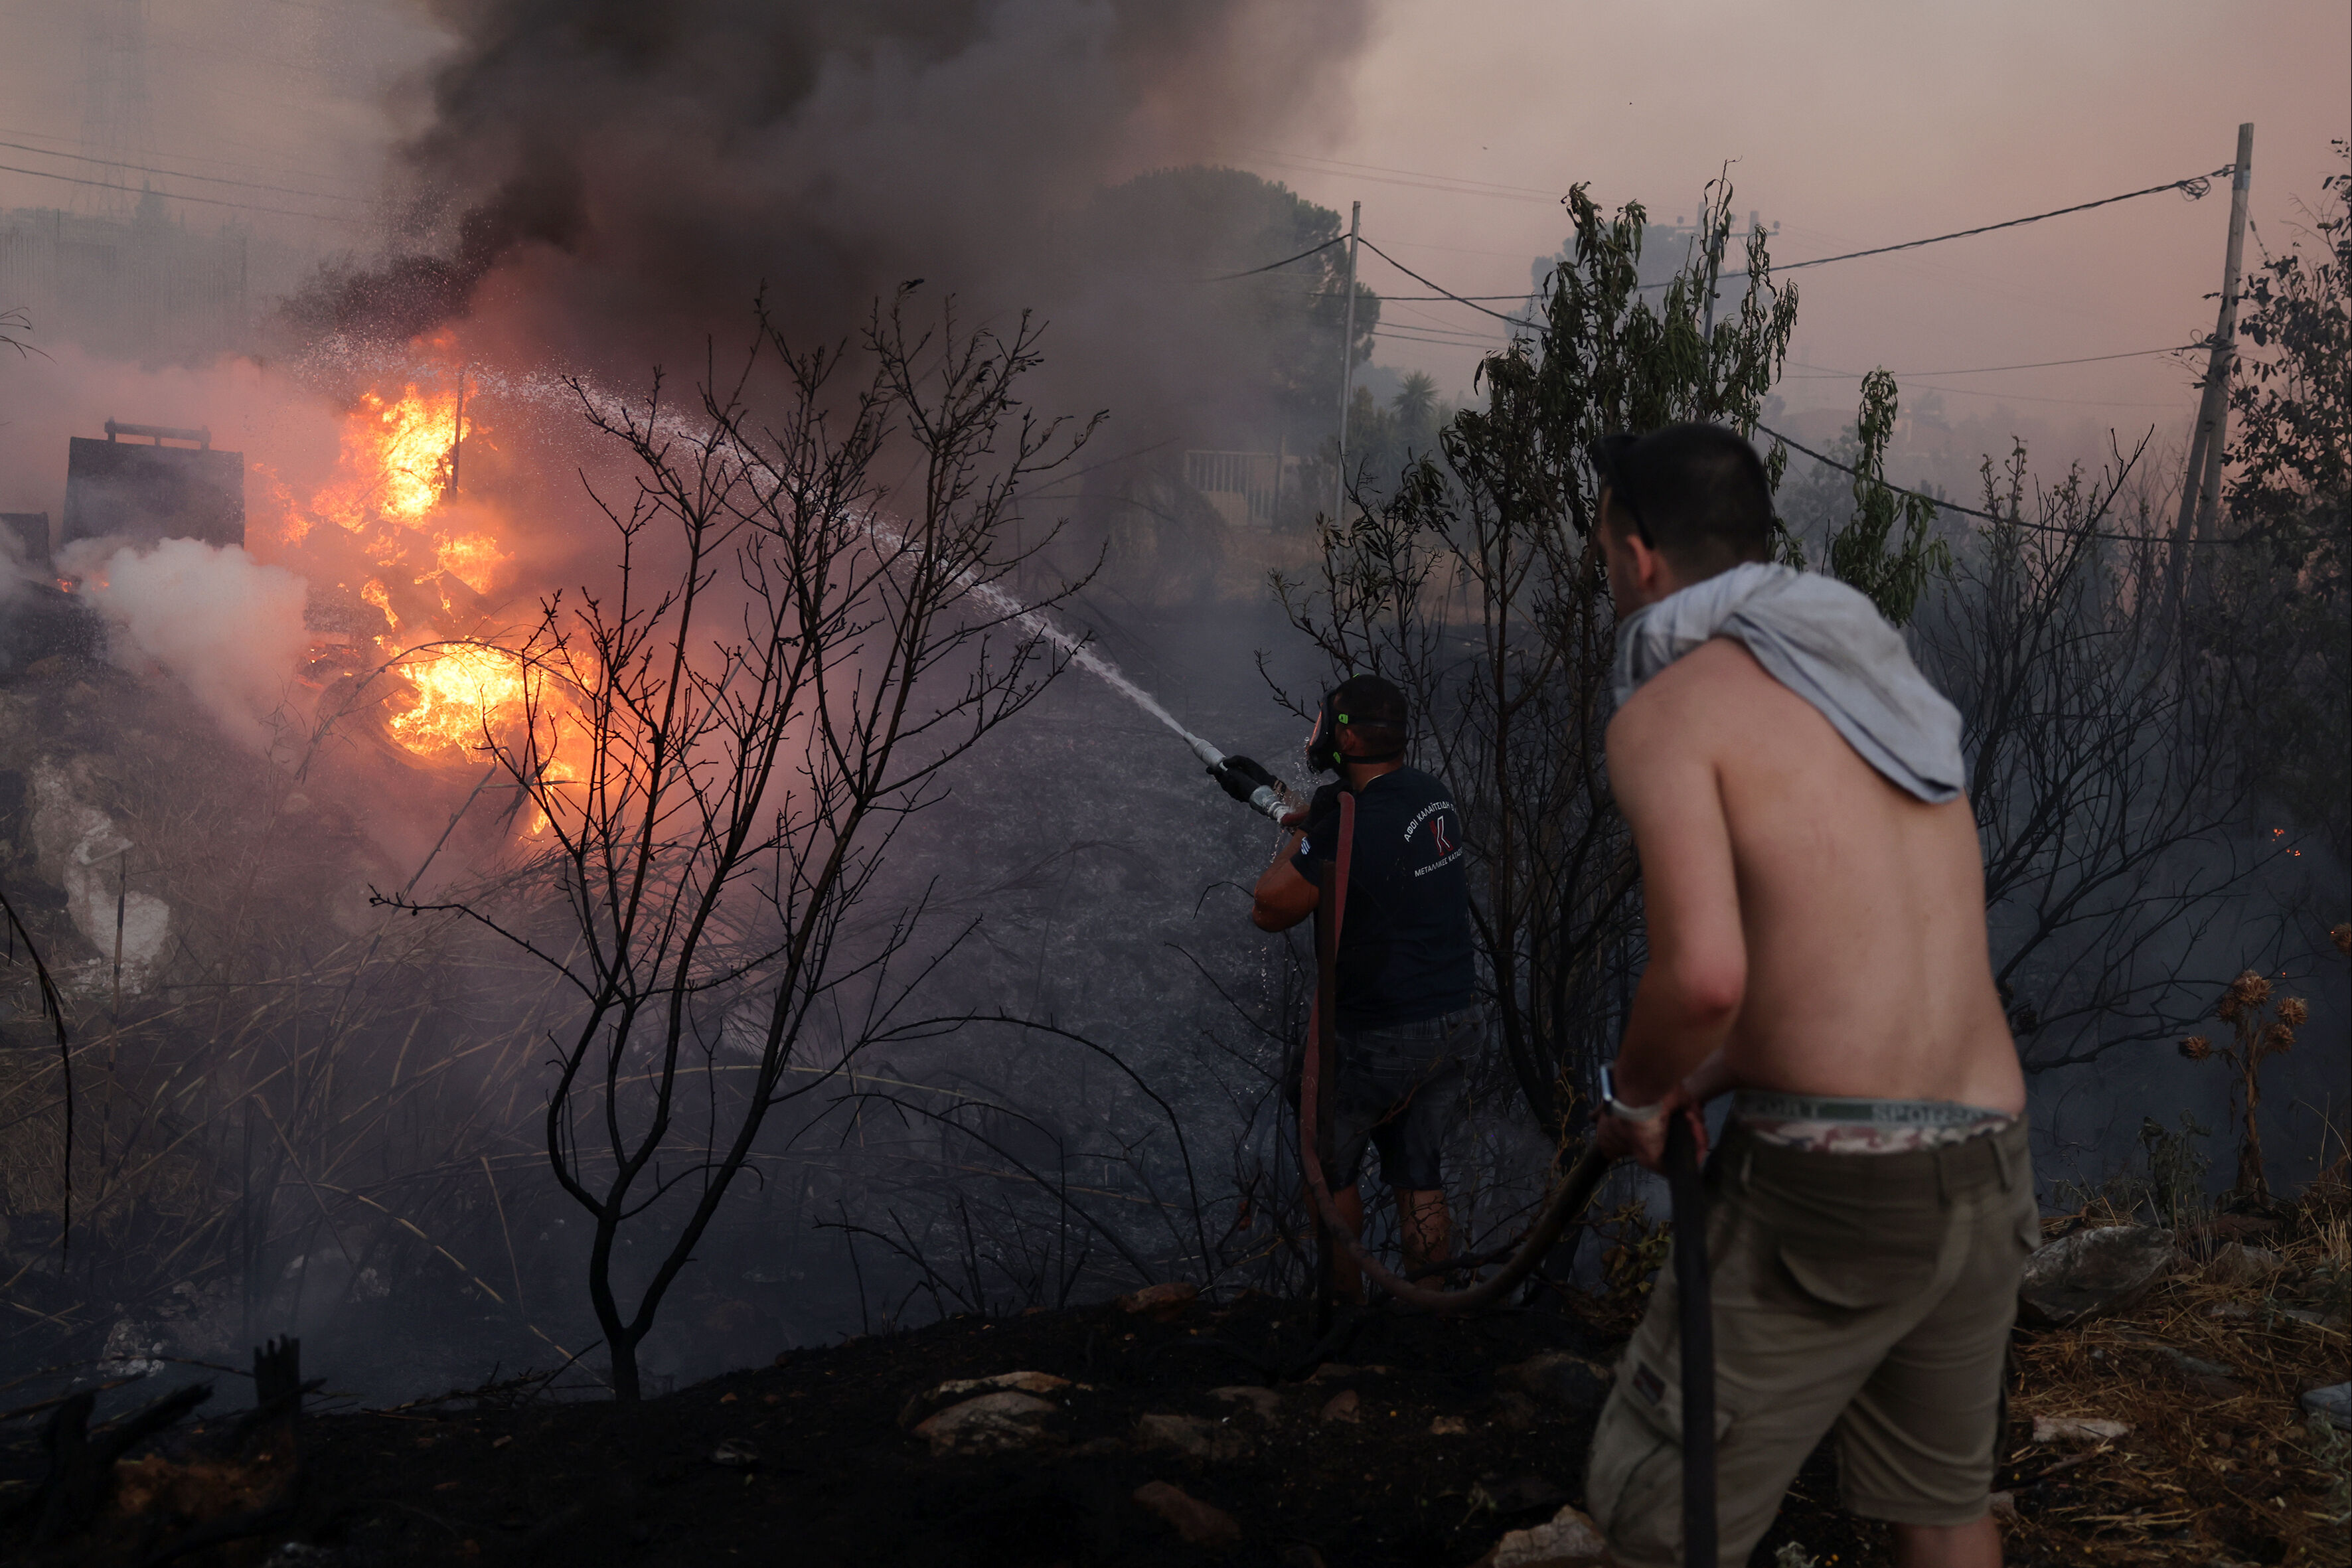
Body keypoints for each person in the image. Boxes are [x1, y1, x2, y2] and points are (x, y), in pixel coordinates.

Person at [1579, 423, 2032, 1568]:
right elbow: (1849, 971)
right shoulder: (1876, 680)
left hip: (1835, 1186)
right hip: (1983, 1159)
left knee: (1654, 1506)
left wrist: (1635, 1096)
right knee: (1939, 1506)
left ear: (1638, 558)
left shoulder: (1670, 714)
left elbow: (1703, 975)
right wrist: (1708, 1072)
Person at [1214, 674, 1479, 1298]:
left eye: (1326, 725)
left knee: (1328, 1177)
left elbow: (1269, 908)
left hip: (1373, 1035)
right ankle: (1435, 1322)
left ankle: (1345, 1326)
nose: (1318, 735)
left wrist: (1313, 826)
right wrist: (1301, 808)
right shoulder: (1428, 795)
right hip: (1452, 1023)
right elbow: (1361, 839)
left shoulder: (1350, 821)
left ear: (1348, 735)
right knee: (1420, 1179)